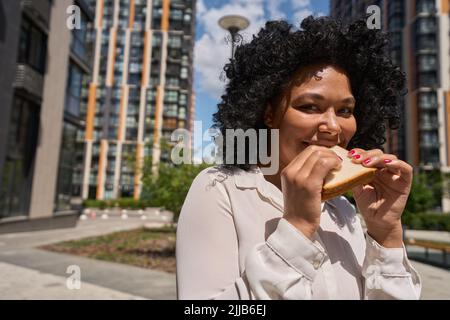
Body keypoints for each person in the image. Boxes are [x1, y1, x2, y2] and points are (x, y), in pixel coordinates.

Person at [176, 16, 421, 300]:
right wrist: (297, 228)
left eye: (345, 111)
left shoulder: (342, 209)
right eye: (309, 106)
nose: (332, 126)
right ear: (268, 114)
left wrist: (385, 232)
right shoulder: (220, 188)